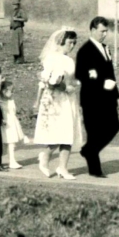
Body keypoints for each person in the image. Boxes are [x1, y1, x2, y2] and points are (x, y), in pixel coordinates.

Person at [75, 16, 119, 178]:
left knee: (114, 126)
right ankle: (95, 170)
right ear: (93, 30)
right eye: (102, 31)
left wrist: (118, 97)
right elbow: (80, 75)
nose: (105, 34)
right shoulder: (85, 50)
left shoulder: (105, 48)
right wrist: (100, 82)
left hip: (108, 97)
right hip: (92, 99)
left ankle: (88, 150)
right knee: (94, 133)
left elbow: (111, 74)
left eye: (106, 31)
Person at [34, 28, 82, 179]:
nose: (72, 46)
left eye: (74, 43)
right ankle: (45, 156)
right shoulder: (52, 58)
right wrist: (63, 87)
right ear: (61, 41)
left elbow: (70, 78)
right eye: (70, 42)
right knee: (57, 135)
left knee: (68, 134)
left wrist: (75, 84)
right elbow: (49, 81)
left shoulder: (69, 60)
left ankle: (63, 168)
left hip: (68, 99)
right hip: (55, 100)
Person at [0, 78, 25, 169]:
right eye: (11, 91)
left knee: (10, 143)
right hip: (5, 124)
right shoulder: (0, 102)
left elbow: (13, 111)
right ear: (4, 91)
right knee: (9, 143)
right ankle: (11, 161)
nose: (13, 93)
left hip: (12, 123)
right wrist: (1, 119)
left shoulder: (10, 100)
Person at [7, 0, 28, 64]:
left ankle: (20, 59)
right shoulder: (13, 12)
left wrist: (17, 19)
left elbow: (25, 19)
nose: (14, 6)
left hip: (19, 29)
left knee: (19, 44)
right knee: (14, 45)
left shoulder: (21, 11)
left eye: (15, 4)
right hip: (14, 30)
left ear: (18, 5)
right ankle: (15, 59)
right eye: (13, 4)